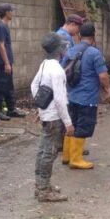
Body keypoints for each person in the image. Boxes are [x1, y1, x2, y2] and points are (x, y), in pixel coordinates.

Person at [30, 33, 75, 202]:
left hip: (46, 115)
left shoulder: (44, 65)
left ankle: (41, 185)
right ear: (59, 49)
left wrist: (41, 106)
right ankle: (43, 190)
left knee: (43, 151)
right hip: (54, 118)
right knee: (49, 153)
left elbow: (34, 85)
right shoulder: (57, 70)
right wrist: (68, 123)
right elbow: (60, 99)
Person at [63, 22, 110, 169]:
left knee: (72, 125)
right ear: (93, 35)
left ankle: (66, 156)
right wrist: (107, 89)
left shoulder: (71, 51)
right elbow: (103, 75)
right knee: (83, 127)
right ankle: (76, 159)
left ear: (79, 35)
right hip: (87, 98)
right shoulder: (95, 53)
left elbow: (62, 70)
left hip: (71, 96)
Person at [0, 3, 25, 120]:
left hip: (6, 62)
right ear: (6, 13)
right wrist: (6, 63)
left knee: (9, 86)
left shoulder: (4, 25)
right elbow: (1, 45)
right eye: (11, 11)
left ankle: (11, 109)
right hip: (2, 63)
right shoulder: (1, 26)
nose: (12, 13)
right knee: (0, 87)